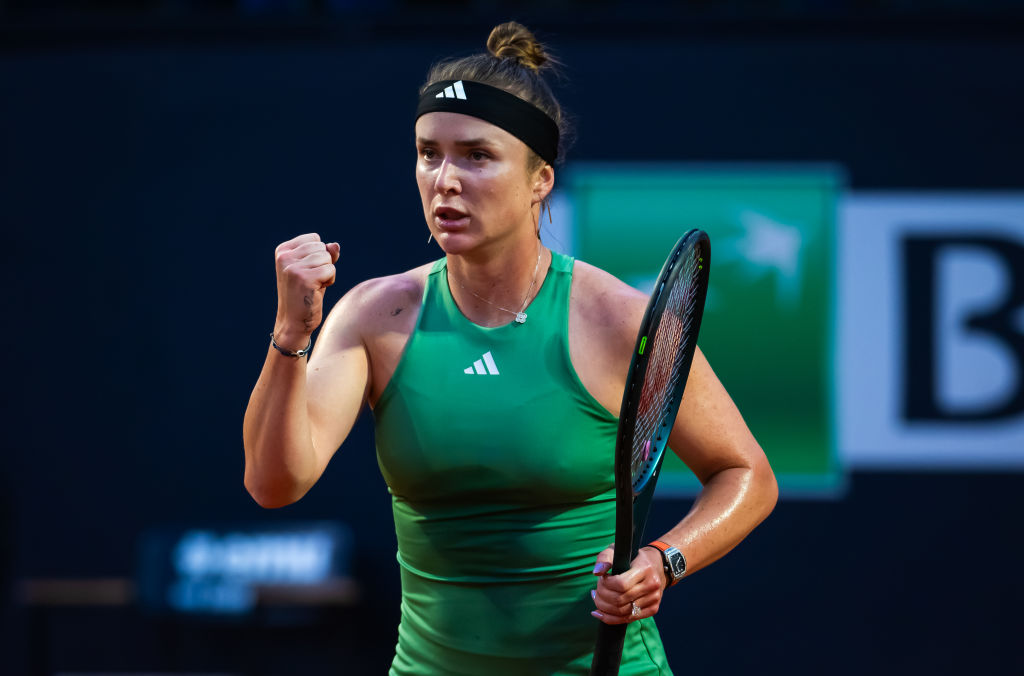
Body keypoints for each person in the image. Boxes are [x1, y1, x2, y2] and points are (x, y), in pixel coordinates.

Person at [243, 21, 777, 675]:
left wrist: (664, 560)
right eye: (428, 153)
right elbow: (274, 483)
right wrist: (291, 333)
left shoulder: (616, 319)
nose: (445, 179)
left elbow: (746, 474)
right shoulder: (373, 316)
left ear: (539, 179)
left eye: (476, 155)